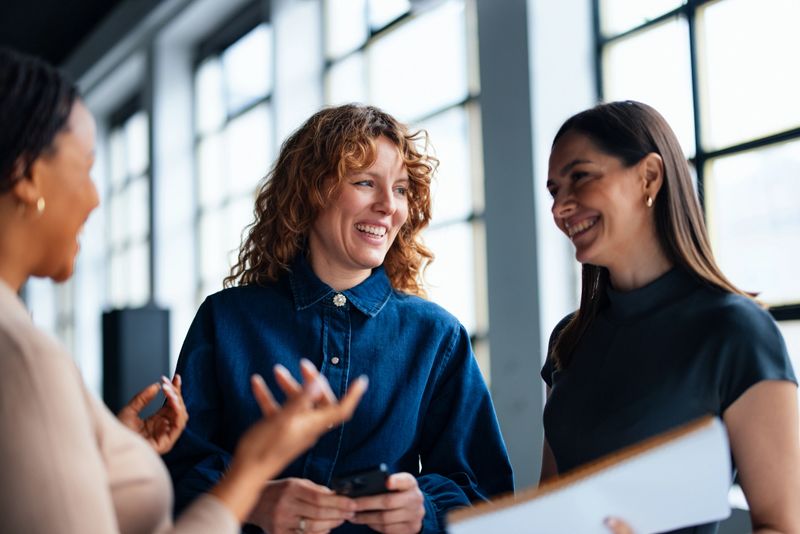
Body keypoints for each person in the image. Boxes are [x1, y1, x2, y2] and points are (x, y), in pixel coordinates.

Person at [0, 46, 367, 534]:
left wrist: (118, 451)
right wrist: (252, 471)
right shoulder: (23, 355)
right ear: (27, 175)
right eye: (86, 167)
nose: (94, 198)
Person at [164, 103, 514, 534]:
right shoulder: (225, 320)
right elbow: (175, 471)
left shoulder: (438, 336)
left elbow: (489, 498)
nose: (388, 206)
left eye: (401, 189)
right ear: (311, 191)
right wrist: (250, 500)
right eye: (365, 182)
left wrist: (424, 510)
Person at [540, 100, 800, 533]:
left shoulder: (736, 331)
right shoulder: (569, 338)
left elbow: (783, 526)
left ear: (649, 176)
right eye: (553, 191)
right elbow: (550, 508)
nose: (559, 207)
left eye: (580, 177)